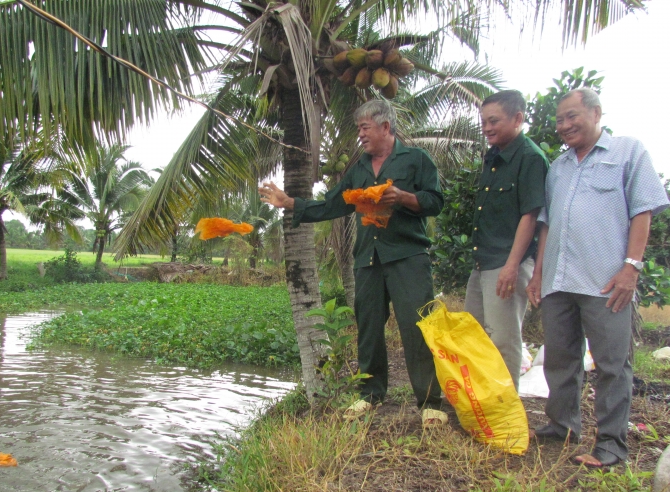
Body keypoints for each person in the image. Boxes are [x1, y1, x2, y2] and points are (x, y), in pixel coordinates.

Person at [259, 99, 444, 421]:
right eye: (358, 128)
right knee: (370, 328)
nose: (360, 134)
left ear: (386, 127)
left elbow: (435, 202)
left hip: (407, 256)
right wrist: (290, 202)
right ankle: (370, 395)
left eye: (365, 127)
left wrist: (403, 197)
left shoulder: (416, 160)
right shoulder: (358, 169)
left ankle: (429, 403)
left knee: (416, 327)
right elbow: (333, 205)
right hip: (368, 259)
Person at [526, 88, 669, 468]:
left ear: (596, 113)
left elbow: (643, 210)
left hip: (605, 282)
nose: (564, 125)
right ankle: (562, 425)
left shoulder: (627, 152)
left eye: (572, 116)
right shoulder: (558, 167)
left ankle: (610, 446)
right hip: (559, 280)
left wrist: (631, 267)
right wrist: (538, 274)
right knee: (559, 359)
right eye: (559, 120)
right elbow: (546, 226)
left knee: (611, 364)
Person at [464, 90, 548, 391]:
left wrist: (512, 266)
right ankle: (484, 403)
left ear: (518, 118)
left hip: (506, 263)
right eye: (484, 121)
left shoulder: (530, 158)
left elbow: (531, 215)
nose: (486, 128)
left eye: (493, 121)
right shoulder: (494, 156)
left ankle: (506, 407)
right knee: (475, 335)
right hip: (483, 261)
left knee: (503, 338)